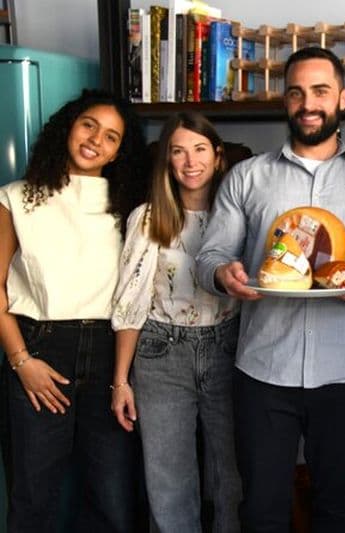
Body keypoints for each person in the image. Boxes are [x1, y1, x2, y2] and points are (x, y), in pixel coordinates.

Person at [195, 46, 345, 533]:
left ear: (343, 98)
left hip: (344, 374)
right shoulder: (247, 177)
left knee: (337, 506)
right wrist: (224, 276)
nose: (309, 103)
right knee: (261, 509)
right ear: (285, 101)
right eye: (297, 93)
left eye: (321, 91)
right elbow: (209, 258)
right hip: (263, 371)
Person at [0, 89, 147, 532]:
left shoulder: (129, 208)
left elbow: (135, 295)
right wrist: (21, 360)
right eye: (89, 125)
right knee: (32, 499)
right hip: (38, 349)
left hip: (110, 355)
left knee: (113, 503)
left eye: (111, 136)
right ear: (68, 125)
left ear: (120, 151)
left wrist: (121, 376)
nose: (95, 140)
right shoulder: (15, 197)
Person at [110, 111, 242, 533]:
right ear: (167, 160)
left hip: (229, 348)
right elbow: (130, 304)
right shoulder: (148, 219)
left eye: (200, 149)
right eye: (178, 151)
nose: (190, 162)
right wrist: (120, 381)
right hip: (161, 353)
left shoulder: (239, 220)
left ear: (218, 157)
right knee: (169, 480)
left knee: (231, 476)